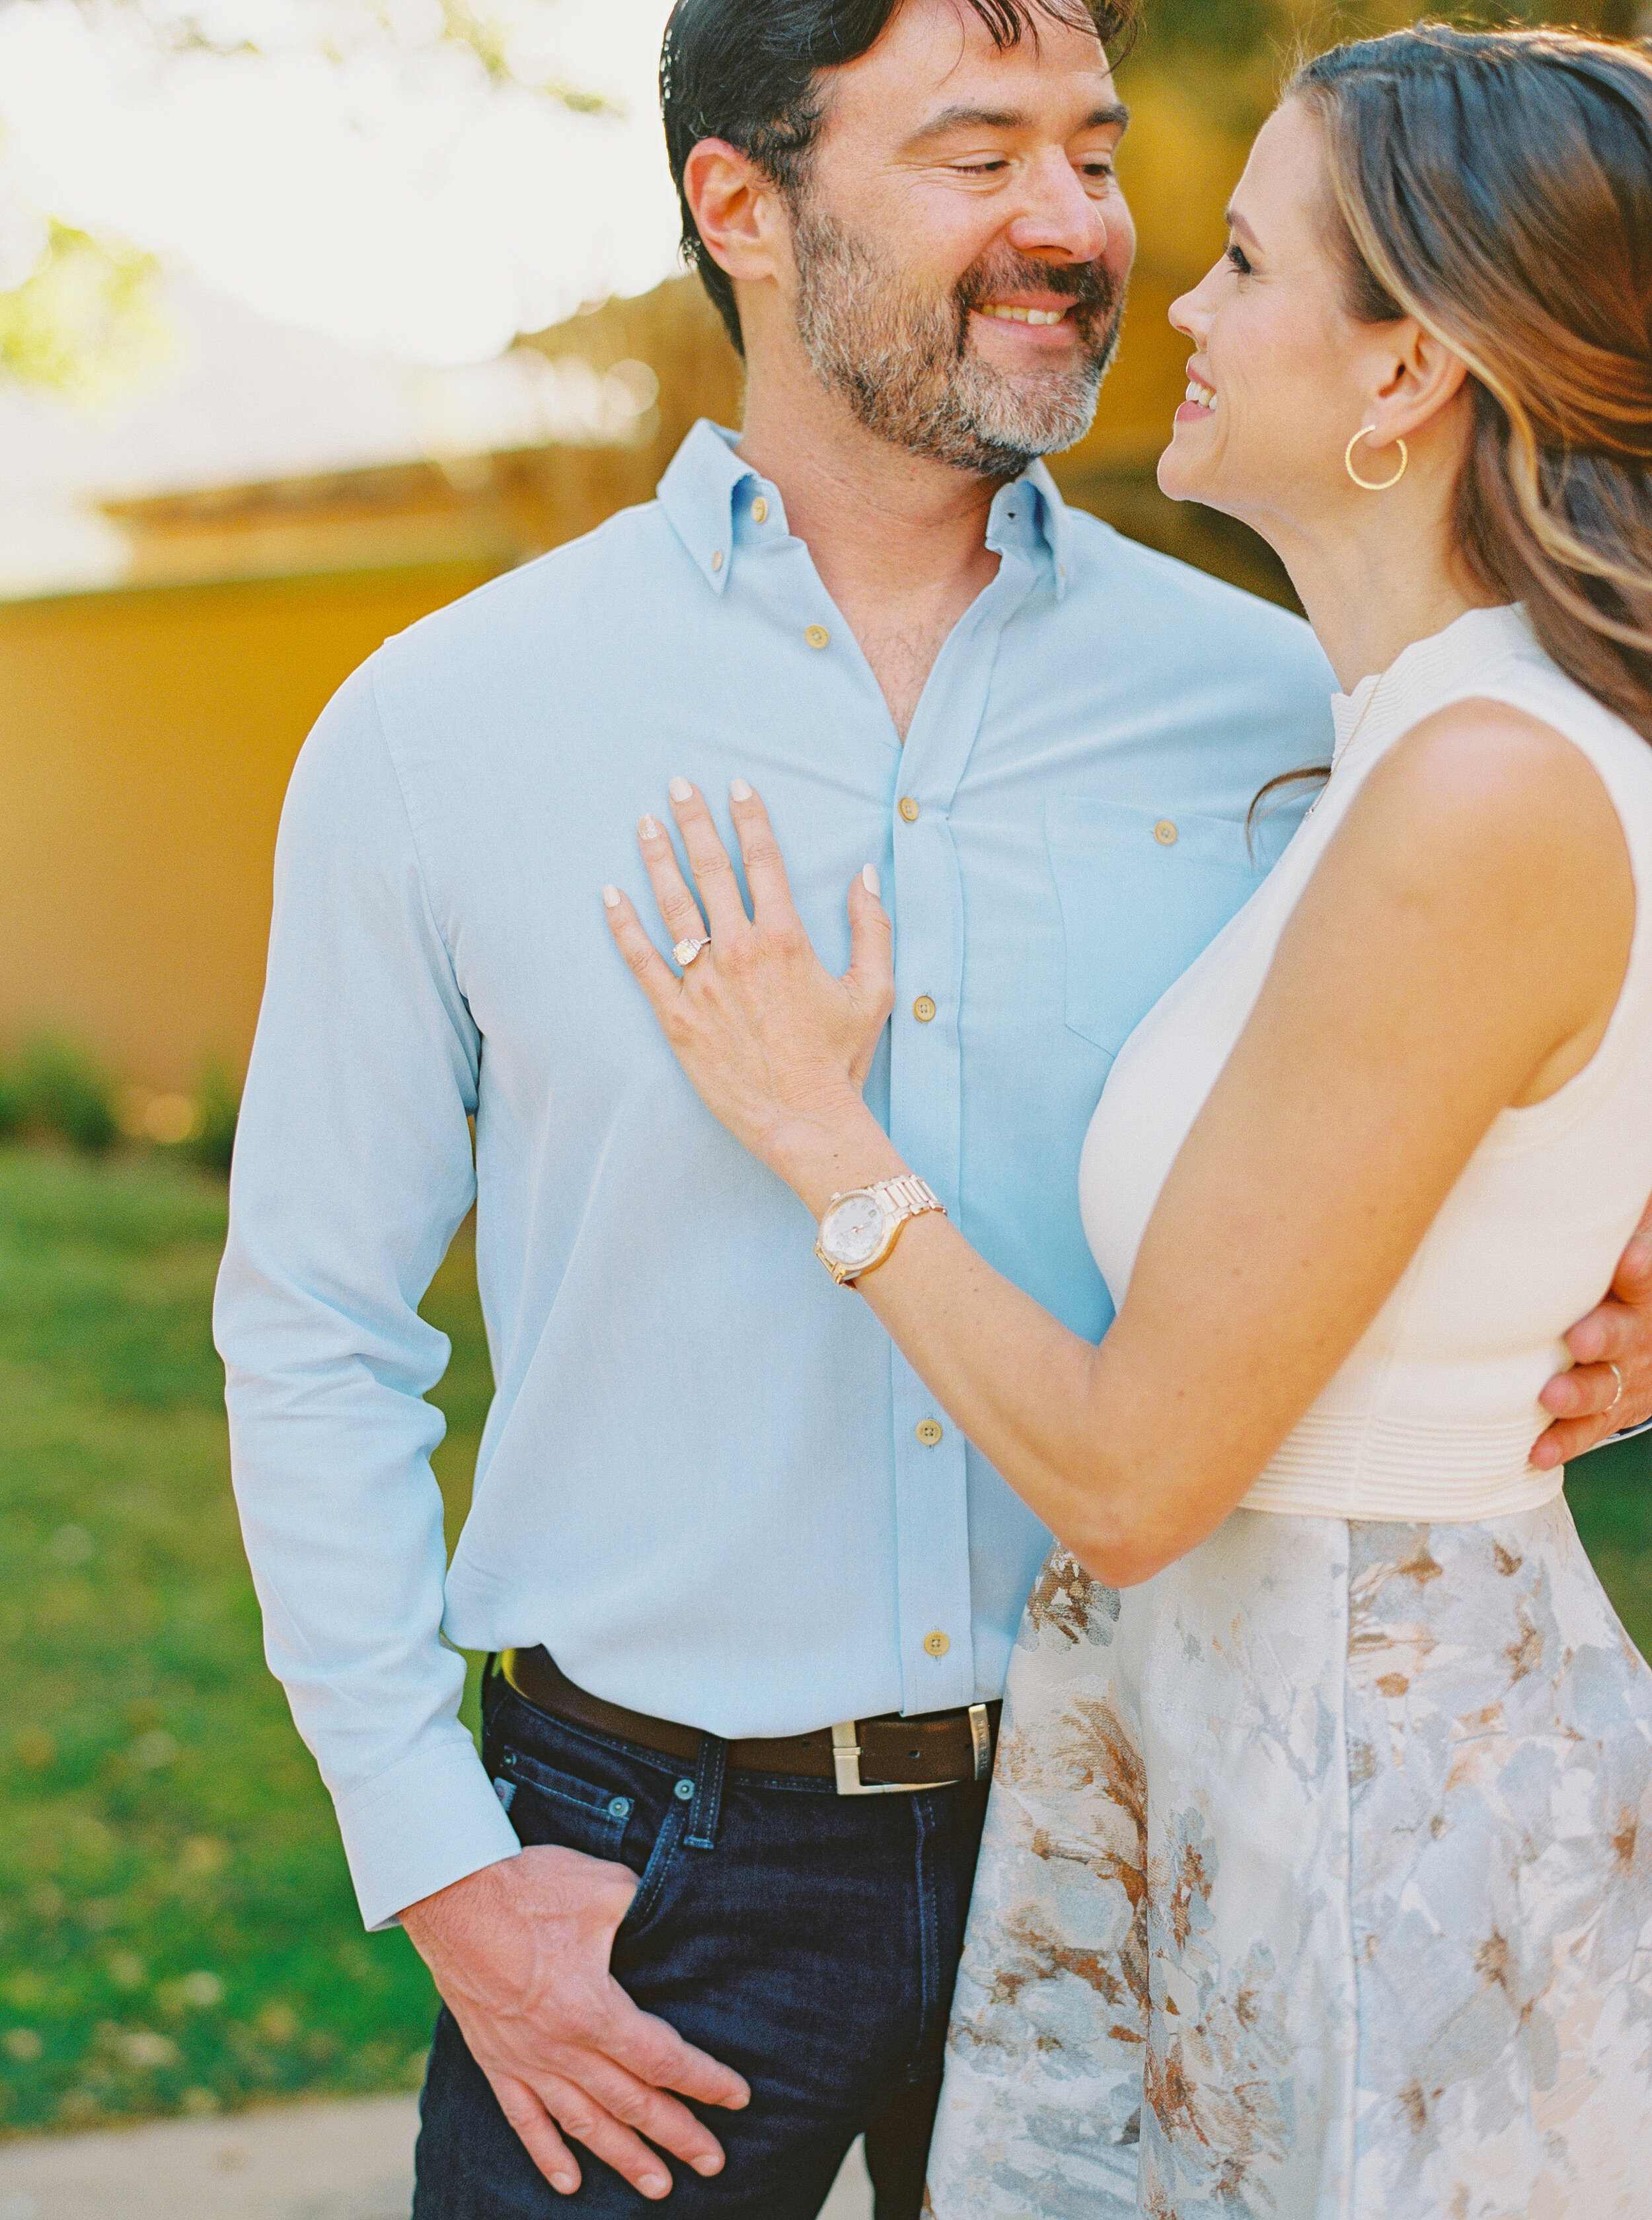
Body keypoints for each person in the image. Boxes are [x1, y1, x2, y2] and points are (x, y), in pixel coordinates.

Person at [214, 3, 1652, 2213]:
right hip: (655, 1872)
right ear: (742, 206)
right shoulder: (446, 727)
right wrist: (438, 1859)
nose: (1075, 225)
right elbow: (315, 1326)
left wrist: (1604, 1273)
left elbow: (1517, 1045)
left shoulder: (1298, 711)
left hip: (1156, 1810)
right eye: (978, 155)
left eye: (1093, 151)